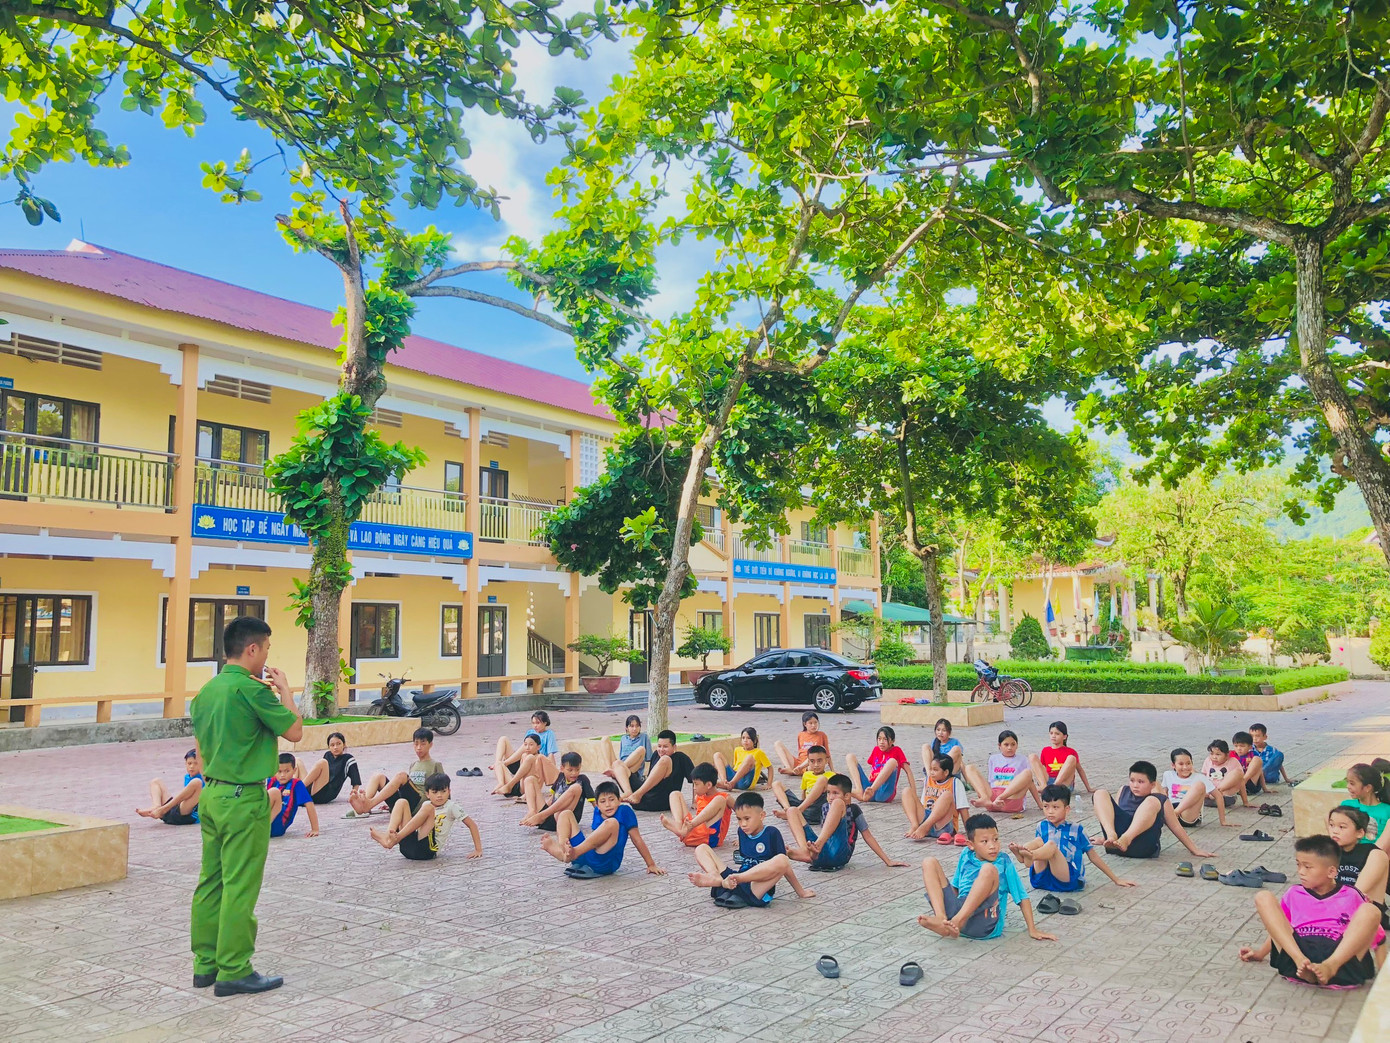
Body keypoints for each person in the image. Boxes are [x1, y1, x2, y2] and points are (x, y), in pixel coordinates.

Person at [188, 615, 303, 995]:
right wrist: (284, 688)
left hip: (211, 794)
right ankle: (234, 968)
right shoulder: (253, 691)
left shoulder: (206, 693)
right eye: (267, 648)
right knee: (239, 884)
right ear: (252, 649)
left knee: (211, 882)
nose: (268, 656)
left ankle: (205, 965)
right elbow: (294, 731)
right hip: (243, 797)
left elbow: (202, 753)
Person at [1238, 835, 1384, 988]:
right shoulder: (1293, 893)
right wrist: (1260, 954)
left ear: (1331, 872)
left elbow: (1377, 938)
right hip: (1297, 957)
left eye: (1307, 867)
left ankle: (1329, 967)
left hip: (1340, 958)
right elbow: (1280, 928)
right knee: (1263, 897)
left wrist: (1384, 978)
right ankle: (1302, 963)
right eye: (1298, 865)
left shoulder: (1352, 895)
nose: (1301, 872)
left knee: (1371, 910)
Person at [917, 813, 1056, 942]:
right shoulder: (966, 854)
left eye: (995, 839)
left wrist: (1032, 929)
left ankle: (956, 922)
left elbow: (1021, 896)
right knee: (929, 862)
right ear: (970, 845)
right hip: (957, 915)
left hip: (984, 923)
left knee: (988, 869)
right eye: (985, 841)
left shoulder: (1003, 861)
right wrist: (948, 907)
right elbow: (956, 887)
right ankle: (941, 919)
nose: (992, 846)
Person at [686, 792, 814, 906]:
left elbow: (785, 867)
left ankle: (728, 881)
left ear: (762, 816)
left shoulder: (771, 833)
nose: (743, 824)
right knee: (701, 848)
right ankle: (716, 878)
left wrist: (800, 892)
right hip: (735, 880)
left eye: (747, 819)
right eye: (739, 819)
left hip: (756, 885)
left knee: (782, 859)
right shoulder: (741, 833)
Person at [1008, 784, 1136, 893]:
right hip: (1042, 880)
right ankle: (1023, 852)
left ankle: (1028, 856)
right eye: (1046, 806)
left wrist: (1116, 879)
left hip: (1066, 880)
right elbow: (1040, 844)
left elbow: (1093, 857)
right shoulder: (1041, 826)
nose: (1050, 811)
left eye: (1055, 807)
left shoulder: (1077, 829)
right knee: (1039, 842)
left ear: (1067, 809)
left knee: (1050, 845)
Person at [1091, 761, 1215, 861]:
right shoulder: (1123, 790)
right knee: (1100, 793)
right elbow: (1112, 815)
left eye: (1141, 782)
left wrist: (1194, 849)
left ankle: (1126, 839)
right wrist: (1105, 837)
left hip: (1142, 847)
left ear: (1152, 784)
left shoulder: (1159, 799)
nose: (1135, 785)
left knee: (1152, 800)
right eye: (1132, 780)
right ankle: (1112, 836)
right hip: (1116, 846)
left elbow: (1176, 827)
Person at [784, 773, 908, 872]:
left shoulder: (854, 809)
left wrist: (887, 860)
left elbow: (868, 836)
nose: (831, 797)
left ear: (847, 795)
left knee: (838, 803)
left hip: (839, 855)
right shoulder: (825, 807)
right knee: (792, 811)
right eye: (828, 792)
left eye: (835, 793)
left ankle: (817, 846)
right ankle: (805, 851)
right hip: (820, 854)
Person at [540, 780, 665, 878]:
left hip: (604, 863)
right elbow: (595, 840)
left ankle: (573, 853)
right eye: (603, 801)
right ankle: (564, 852)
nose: (608, 804)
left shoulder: (625, 811)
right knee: (565, 814)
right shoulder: (597, 812)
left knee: (612, 823)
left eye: (611, 800)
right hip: (585, 856)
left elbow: (637, 840)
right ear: (598, 805)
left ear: (619, 801)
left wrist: (651, 864)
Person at [370, 773, 482, 861]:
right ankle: (388, 837)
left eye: (443, 791)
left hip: (427, 851)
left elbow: (472, 825)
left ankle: (395, 838)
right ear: (427, 794)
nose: (439, 795)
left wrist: (478, 850)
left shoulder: (451, 806)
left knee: (428, 808)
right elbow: (414, 824)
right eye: (435, 792)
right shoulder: (425, 804)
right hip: (409, 849)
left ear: (449, 791)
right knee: (401, 802)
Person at [1328, 805, 1390, 948]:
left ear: (1360, 833)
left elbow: (1355, 896)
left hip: (1363, 913)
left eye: (1342, 827)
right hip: (1333, 909)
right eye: (1331, 825)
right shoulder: (1329, 851)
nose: (1335, 830)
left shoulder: (1372, 853)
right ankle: (1265, 955)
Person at [348, 728, 445, 817]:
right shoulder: (413, 764)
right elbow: (408, 789)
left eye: (423, 744)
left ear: (430, 744)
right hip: (405, 803)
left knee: (401, 776)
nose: (419, 747)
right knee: (378, 777)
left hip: (420, 804)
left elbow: (444, 788)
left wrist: (441, 809)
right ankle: (364, 804)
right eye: (416, 744)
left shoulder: (435, 764)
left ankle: (369, 805)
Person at [963, 730, 1042, 813]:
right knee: (969, 768)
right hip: (992, 801)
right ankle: (984, 798)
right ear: (999, 745)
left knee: (1028, 773)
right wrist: (985, 793)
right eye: (1006, 745)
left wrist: (1040, 804)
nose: (1010, 748)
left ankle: (1000, 798)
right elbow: (990, 782)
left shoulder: (1023, 759)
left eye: (1013, 744)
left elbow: (1030, 782)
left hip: (1012, 797)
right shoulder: (993, 758)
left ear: (1017, 745)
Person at [614, 730, 695, 811]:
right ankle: (628, 792)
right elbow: (650, 780)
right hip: (642, 800)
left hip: (659, 802)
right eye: (659, 746)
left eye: (665, 747)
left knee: (665, 759)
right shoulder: (656, 754)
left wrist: (695, 802)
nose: (661, 750)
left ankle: (637, 795)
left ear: (674, 747)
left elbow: (696, 780)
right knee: (617, 764)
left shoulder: (681, 758)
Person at [660, 761, 732, 847]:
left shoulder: (725, 797)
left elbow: (742, 813)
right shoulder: (699, 797)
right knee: (675, 794)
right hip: (690, 834)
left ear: (708, 785)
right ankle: (679, 827)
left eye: (696, 784)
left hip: (710, 837)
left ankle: (688, 827)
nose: (694, 788)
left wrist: (743, 838)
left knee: (720, 799)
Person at [901, 754, 968, 844]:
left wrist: (971, 832)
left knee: (947, 795)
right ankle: (915, 825)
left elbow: (963, 809)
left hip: (943, 825)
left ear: (946, 772)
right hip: (926, 818)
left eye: (935, 770)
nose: (931, 772)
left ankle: (924, 827)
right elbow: (922, 803)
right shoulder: (928, 780)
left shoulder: (955, 783)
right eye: (931, 769)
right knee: (907, 791)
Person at [520, 751, 594, 832]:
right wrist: (542, 809)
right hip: (548, 815)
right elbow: (552, 798)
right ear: (562, 768)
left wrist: (602, 816)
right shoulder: (561, 776)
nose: (574, 773)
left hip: (562, 818)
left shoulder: (582, 779)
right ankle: (532, 812)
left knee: (576, 788)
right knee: (529, 779)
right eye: (570, 770)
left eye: (577, 770)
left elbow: (594, 802)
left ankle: (540, 816)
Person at [1162, 747, 1232, 828]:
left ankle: (1175, 813)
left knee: (1199, 785)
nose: (1185, 767)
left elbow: (1218, 796)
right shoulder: (1168, 775)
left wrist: (1223, 821)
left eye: (1188, 763)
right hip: (1171, 809)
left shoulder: (1199, 777)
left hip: (1188, 814)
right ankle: (1169, 815)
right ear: (1173, 765)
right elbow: (1164, 795)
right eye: (1181, 764)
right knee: (1153, 784)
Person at [491, 712, 561, 791]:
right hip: (521, 761)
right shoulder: (530, 732)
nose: (535, 726)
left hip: (532, 764)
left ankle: (502, 765)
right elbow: (523, 749)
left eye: (538, 723)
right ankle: (499, 766)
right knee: (503, 739)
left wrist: (552, 771)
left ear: (545, 723)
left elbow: (550, 754)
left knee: (529, 756)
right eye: (533, 723)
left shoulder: (549, 734)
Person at [137, 748, 204, 825]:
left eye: (196, 764)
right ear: (185, 764)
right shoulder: (187, 776)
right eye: (189, 763)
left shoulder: (203, 778)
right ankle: (156, 806)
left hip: (187, 816)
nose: (192, 766)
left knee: (197, 782)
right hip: (173, 812)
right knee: (156, 781)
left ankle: (163, 809)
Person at [771, 744, 834, 824]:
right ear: (808, 762)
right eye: (812, 761)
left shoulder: (831, 775)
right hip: (805, 807)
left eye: (819, 761)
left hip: (818, 809)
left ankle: (796, 812)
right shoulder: (807, 774)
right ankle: (789, 811)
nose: (816, 765)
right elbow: (804, 793)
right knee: (776, 784)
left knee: (822, 779)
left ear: (826, 760)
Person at [845, 726, 908, 803]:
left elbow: (908, 771)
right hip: (869, 788)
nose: (881, 742)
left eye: (885, 739)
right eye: (879, 739)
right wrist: (866, 786)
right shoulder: (876, 749)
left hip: (883, 792)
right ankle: (859, 791)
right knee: (850, 757)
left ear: (892, 741)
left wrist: (913, 794)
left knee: (892, 761)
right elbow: (873, 769)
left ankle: (867, 791)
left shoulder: (897, 750)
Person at [297, 732, 362, 805]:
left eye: (338, 744)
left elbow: (356, 780)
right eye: (332, 745)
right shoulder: (328, 755)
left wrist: (353, 794)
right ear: (329, 747)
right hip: (315, 789)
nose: (335, 747)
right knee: (297, 761)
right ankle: (289, 790)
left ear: (344, 744)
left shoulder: (348, 759)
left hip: (326, 793)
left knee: (323, 762)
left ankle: (296, 789)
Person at [1030, 721, 1093, 793]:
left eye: (1057, 734)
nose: (1053, 736)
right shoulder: (1045, 750)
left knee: (1071, 758)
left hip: (1064, 784)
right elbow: (1041, 769)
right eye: (1051, 733)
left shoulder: (1071, 751)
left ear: (1064, 736)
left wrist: (1089, 788)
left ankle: (1054, 787)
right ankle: (1043, 786)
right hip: (1048, 781)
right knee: (1032, 756)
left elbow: (1080, 770)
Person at [266, 754, 320, 839]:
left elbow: (309, 805)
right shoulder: (271, 781)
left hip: (278, 826)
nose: (283, 775)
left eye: (287, 771)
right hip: (264, 816)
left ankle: (262, 828)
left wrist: (315, 829)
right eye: (279, 771)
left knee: (274, 792)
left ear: (294, 770)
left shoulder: (297, 785)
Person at [490, 730, 557, 797]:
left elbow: (555, 773)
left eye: (531, 745)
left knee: (530, 757)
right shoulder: (524, 755)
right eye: (525, 745)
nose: (527, 747)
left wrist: (554, 790)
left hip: (527, 788)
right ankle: (501, 784)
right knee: (498, 763)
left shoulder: (541, 758)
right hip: (516, 785)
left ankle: (508, 786)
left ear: (538, 747)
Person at [1341, 763, 1390, 847]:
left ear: (1368, 788)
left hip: (1376, 855)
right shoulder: (1346, 805)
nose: (1347, 786)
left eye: (1352, 783)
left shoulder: (1387, 810)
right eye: (1347, 782)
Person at [714, 727, 773, 791]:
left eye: (748, 738)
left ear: (755, 740)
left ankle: (731, 783)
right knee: (717, 755)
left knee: (749, 757)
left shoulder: (759, 752)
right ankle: (724, 782)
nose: (745, 740)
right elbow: (736, 766)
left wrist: (769, 784)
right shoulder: (737, 750)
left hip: (745, 781)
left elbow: (770, 767)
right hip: (734, 775)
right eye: (743, 738)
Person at [1201, 739, 1255, 810]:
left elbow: (1240, 782)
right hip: (1207, 798)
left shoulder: (1232, 762)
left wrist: (1245, 802)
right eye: (1212, 754)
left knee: (1238, 773)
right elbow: (1203, 777)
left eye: (1218, 754)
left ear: (1227, 755)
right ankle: (1211, 794)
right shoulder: (1208, 760)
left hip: (1225, 797)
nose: (1214, 757)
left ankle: (1217, 792)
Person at [775, 710, 831, 775]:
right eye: (810, 723)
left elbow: (828, 755)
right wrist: (797, 765)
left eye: (815, 722)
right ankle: (788, 767)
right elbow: (800, 751)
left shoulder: (822, 735)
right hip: (798, 763)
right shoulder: (800, 734)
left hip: (811, 765)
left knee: (813, 758)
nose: (813, 725)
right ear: (805, 724)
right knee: (777, 743)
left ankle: (796, 771)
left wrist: (833, 770)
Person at [605, 715, 652, 787]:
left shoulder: (644, 737)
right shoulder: (623, 738)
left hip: (634, 769)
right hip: (621, 764)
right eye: (632, 726)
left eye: (637, 726)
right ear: (626, 728)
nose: (635, 729)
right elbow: (621, 757)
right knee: (605, 739)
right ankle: (610, 768)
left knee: (641, 749)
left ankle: (619, 770)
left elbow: (648, 758)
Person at [1249, 723, 1293, 787]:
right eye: (1252, 736)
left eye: (1257, 736)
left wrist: (1286, 778)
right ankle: (1258, 776)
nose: (1254, 739)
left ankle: (1262, 773)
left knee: (1279, 754)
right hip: (1254, 776)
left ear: (1265, 737)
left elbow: (1279, 764)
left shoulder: (1272, 750)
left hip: (1269, 776)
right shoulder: (1249, 749)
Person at [1230, 731, 1267, 797]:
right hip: (1234, 783)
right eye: (1236, 746)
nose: (1239, 749)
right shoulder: (1231, 755)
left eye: (1242, 746)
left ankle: (1243, 782)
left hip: (1249, 784)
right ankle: (1238, 786)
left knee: (1257, 759)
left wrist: (1265, 789)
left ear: (1250, 747)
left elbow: (1260, 772)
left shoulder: (1252, 755)